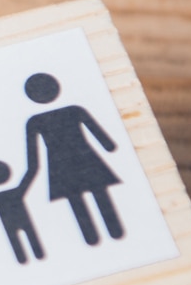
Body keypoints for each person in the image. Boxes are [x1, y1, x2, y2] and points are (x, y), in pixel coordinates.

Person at [21, 73, 124, 245]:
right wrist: (108, 146)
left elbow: (33, 158)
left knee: (76, 198)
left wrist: (31, 174)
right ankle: (113, 231)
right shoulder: (74, 111)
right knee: (97, 192)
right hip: (85, 158)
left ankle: (92, 237)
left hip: (59, 164)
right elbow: (102, 138)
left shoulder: (35, 121)